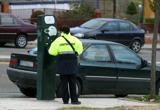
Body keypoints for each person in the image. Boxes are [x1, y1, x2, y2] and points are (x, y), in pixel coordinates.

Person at [48, 25, 83, 104]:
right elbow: (80, 50)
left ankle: (65, 100)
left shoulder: (58, 40)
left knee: (64, 83)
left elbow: (51, 52)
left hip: (62, 63)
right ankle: (74, 100)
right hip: (72, 63)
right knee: (73, 82)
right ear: (69, 31)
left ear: (61, 31)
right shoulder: (75, 39)